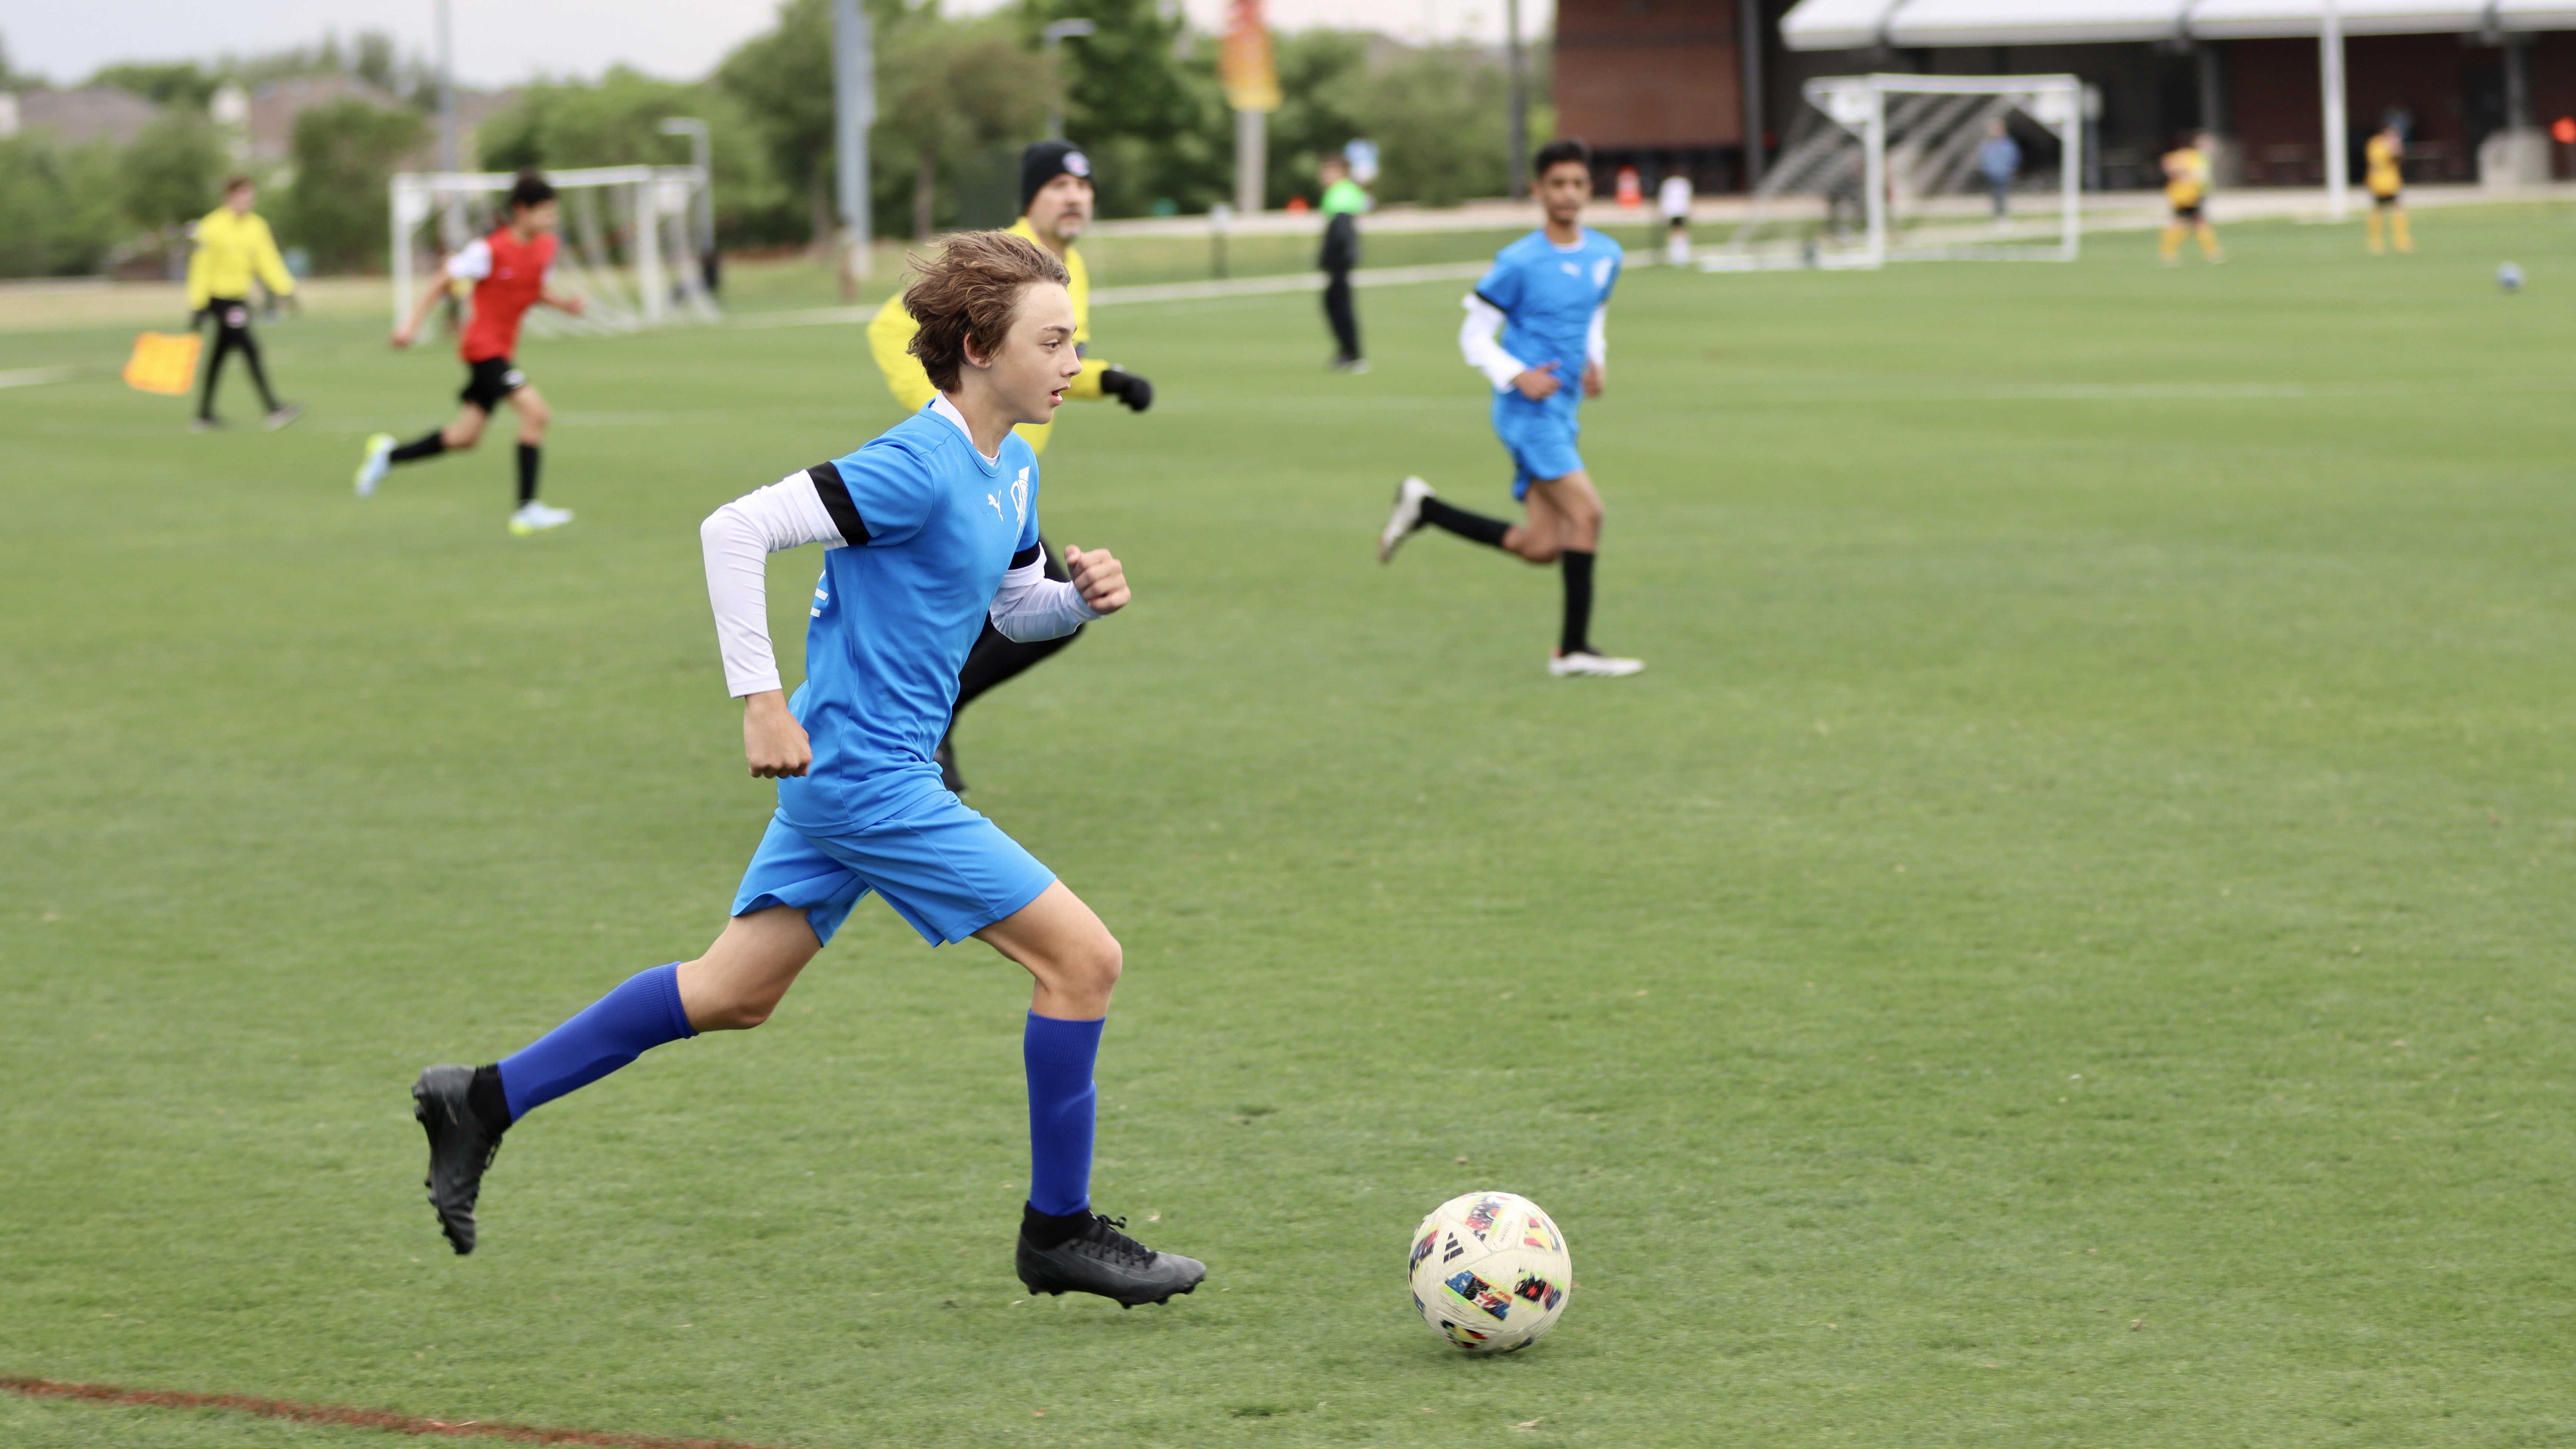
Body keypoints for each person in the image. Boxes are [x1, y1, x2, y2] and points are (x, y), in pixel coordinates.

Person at [410, 229, 1206, 1308]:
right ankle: (1057, 1230)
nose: (1073, 364)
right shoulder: (912, 466)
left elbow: (1013, 603)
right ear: (980, 349)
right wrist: (761, 698)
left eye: (1075, 342)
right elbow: (733, 529)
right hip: (870, 779)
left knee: (731, 992)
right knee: (1084, 960)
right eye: (1053, 341)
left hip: (855, 774)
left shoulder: (1012, 466)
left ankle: (481, 1098)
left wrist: (1077, 599)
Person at [867, 142, 1154, 794]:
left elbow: (1038, 362)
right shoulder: (1003, 260)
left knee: (988, 618)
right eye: (1059, 185)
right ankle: (914, 734)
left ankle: (913, 734)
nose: (1075, 197)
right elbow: (887, 328)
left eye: (1084, 186)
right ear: (1031, 195)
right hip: (968, 475)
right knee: (1027, 613)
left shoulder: (1067, 267)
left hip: (1006, 482)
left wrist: (1107, 380)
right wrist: (951, 410)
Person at [1376, 138, 1641, 678]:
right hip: (1527, 414)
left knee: (1542, 546)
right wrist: (1516, 374)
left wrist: (1597, 358)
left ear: (1589, 189)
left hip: (1563, 408)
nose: (1568, 194)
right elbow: (1473, 336)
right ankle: (1574, 650)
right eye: (1557, 184)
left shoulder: (1606, 254)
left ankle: (1425, 509)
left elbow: (1594, 315)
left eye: (1577, 184)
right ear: (1538, 190)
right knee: (1588, 515)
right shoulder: (1518, 262)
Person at [356, 172, 588, 535]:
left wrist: (565, 306)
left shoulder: (546, 248)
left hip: (503, 350)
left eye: (553, 211)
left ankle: (387, 456)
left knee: (465, 438)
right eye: (544, 211)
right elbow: (442, 280)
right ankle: (526, 509)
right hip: (483, 349)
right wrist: (411, 326)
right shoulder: (488, 250)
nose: (551, 218)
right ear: (521, 210)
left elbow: (532, 290)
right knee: (537, 414)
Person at [184, 177, 300, 432]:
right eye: (241, 197)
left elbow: (268, 261)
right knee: (250, 349)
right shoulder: (211, 226)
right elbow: (201, 267)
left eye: (250, 197)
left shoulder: (257, 227)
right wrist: (198, 304)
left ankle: (204, 415)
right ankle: (274, 409)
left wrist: (285, 289)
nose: (246, 202)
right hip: (218, 299)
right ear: (229, 197)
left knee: (220, 355)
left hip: (239, 299)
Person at [1318, 152, 1369, 371]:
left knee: (1340, 305)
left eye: (1328, 171)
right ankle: (1348, 352)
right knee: (1334, 303)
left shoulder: (1341, 193)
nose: (1324, 176)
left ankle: (1352, 353)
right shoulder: (1342, 192)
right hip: (1341, 259)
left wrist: (1333, 256)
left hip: (1340, 259)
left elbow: (1341, 231)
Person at [2158, 133, 2223, 265]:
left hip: (2191, 195)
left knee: (2189, 224)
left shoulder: (2197, 157)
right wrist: (2184, 176)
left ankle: (2169, 252)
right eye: (2207, 144)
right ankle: (2211, 252)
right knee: (2194, 223)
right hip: (2188, 196)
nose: (2210, 147)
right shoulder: (2192, 156)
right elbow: (2169, 164)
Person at [2365, 122, 2412, 255]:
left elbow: (2400, 156)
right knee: (2378, 210)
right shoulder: (2375, 144)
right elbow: (2375, 162)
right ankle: (2375, 241)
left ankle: (2401, 240)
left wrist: (2397, 148)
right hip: (2379, 183)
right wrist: (2391, 148)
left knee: (2398, 209)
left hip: (2393, 183)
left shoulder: (2393, 145)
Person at [1977, 118, 2020, 222]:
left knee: (2002, 196)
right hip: (1991, 175)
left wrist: (2011, 169)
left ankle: (2004, 216)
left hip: (2004, 174)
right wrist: (1986, 169)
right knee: (1995, 197)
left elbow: (2014, 158)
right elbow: (1983, 158)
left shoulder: (2008, 144)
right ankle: (1997, 216)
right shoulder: (1987, 143)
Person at [1657, 170, 1693, 266]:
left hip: (1674, 210)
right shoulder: (1682, 183)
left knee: (1676, 231)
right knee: (1679, 231)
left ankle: (1679, 254)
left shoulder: (1670, 184)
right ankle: (1679, 254)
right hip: (1679, 210)